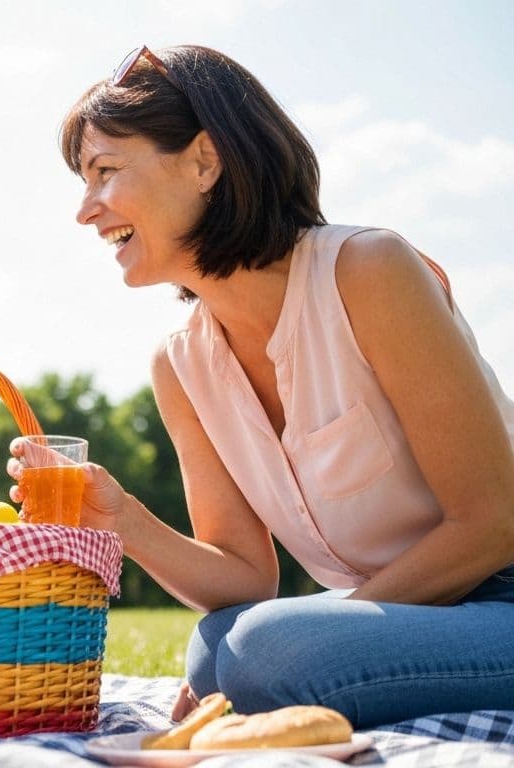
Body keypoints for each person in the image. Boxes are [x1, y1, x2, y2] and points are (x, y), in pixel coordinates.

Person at [33, 44, 514, 729]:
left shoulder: (368, 271)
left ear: (205, 161)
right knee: (217, 648)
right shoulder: (181, 364)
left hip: (503, 593)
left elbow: (491, 526)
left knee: (266, 651)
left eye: (105, 171)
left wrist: (324, 633)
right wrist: (124, 523)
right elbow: (243, 575)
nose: (87, 210)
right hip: (414, 615)